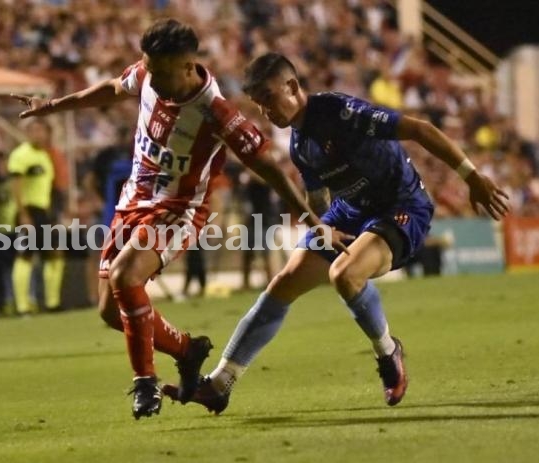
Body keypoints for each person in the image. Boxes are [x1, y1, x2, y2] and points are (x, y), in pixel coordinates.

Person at [12, 20, 344, 419]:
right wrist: (52, 105)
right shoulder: (151, 74)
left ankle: (144, 384)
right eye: (150, 69)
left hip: (177, 209)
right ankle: (188, 350)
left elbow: (268, 167)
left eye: (162, 73)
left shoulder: (216, 112)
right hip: (133, 200)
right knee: (109, 312)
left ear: (189, 67)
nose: (153, 79)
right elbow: (114, 89)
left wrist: (311, 218)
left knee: (124, 277)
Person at [162, 52, 510, 414]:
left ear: (292, 86)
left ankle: (389, 352)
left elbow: (420, 130)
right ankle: (220, 382)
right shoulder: (299, 144)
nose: (266, 111)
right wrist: (323, 226)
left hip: (400, 207)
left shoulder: (341, 113)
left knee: (344, 275)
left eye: (269, 98)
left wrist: (472, 176)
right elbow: (317, 196)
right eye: (259, 104)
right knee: (284, 282)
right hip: (349, 211)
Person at [8, 118, 64, 314]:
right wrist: (23, 214)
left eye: (41, 130)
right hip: (28, 211)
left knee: (54, 255)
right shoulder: (20, 155)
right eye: (34, 130)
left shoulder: (44, 155)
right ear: (27, 133)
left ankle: (52, 303)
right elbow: (15, 186)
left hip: (44, 211)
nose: (38, 134)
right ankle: (22, 306)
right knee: (25, 256)